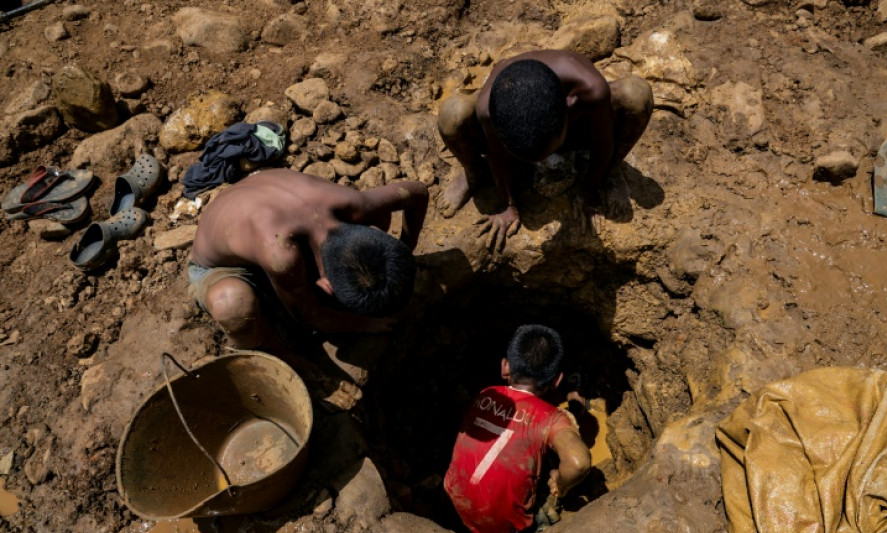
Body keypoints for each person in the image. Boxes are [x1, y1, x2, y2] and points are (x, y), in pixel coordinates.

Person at [188, 168, 429, 351]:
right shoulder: (282, 258)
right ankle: (282, 357)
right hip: (220, 261)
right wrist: (365, 324)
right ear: (326, 285)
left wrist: (406, 247)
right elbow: (310, 317)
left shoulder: (358, 204)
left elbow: (418, 192)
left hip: (265, 206)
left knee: (380, 216)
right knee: (234, 306)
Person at [437, 49, 653, 250]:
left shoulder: (589, 91)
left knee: (636, 94)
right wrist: (508, 205)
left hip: (579, 125)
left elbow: (603, 142)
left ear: (566, 115)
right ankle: (474, 172)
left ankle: (611, 173)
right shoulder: (488, 109)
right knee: (452, 114)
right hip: (519, 123)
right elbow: (496, 155)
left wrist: (590, 187)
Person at [444, 325, 591, 533]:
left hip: (455, 503)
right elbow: (579, 462)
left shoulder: (485, 394)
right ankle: (576, 404)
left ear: (505, 367)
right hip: (504, 526)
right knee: (556, 450)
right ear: (557, 380)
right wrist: (560, 482)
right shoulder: (550, 418)